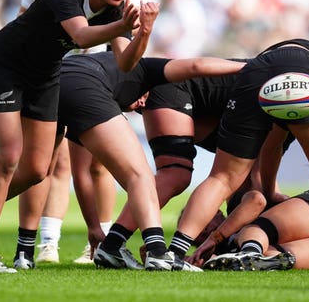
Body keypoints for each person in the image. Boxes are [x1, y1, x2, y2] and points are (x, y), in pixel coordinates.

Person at [0, 0, 158, 273]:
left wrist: (144, 33)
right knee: (9, 157)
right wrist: (125, 27)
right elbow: (81, 37)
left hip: (45, 75)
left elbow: (124, 62)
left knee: (38, 169)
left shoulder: (114, 9)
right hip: (5, 67)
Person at [166, 38, 309, 271]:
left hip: (255, 75)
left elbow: (272, 146)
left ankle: (174, 252)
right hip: (303, 77)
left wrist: (269, 187)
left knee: (222, 177)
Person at [57, 51, 246, 271]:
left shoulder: (115, 79)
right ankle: (159, 252)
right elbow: (195, 65)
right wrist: (251, 68)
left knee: (32, 171)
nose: (140, 105)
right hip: (165, 90)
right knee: (166, 173)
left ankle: (111, 245)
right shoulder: (146, 71)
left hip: (61, 82)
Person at [16, 0, 117, 265]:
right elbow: (24, 19)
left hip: (95, 71)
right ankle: (48, 243)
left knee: (96, 163)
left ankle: (100, 245)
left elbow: (125, 16)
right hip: (51, 71)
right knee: (52, 162)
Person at [191, 189, 309, 271]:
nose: (202, 230)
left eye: (201, 222)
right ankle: (254, 255)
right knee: (276, 259)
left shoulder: (235, 206)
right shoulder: (224, 254)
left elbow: (257, 200)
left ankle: (250, 250)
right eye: (197, 235)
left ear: (217, 211)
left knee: (253, 230)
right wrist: (203, 262)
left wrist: (216, 237)